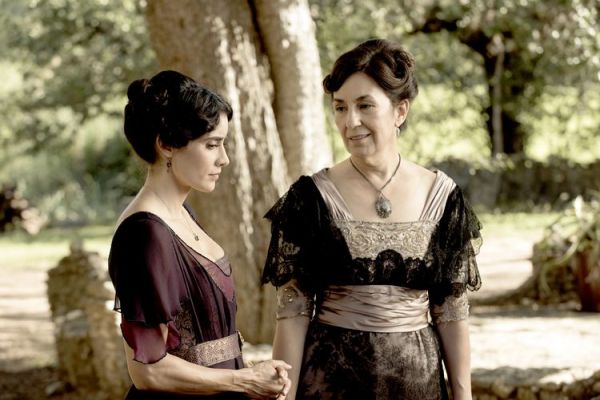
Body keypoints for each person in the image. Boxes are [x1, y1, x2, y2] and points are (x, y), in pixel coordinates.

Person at [262, 39, 482, 400]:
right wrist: (282, 397)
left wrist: (463, 395)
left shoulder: (443, 197)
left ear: (400, 111)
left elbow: (451, 312)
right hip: (330, 385)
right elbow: (293, 312)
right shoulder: (309, 198)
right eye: (340, 107)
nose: (351, 121)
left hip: (418, 385)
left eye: (365, 105)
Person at [108, 70, 291, 400]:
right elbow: (148, 371)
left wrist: (252, 374)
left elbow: (200, 345)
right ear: (166, 145)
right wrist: (244, 380)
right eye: (212, 145)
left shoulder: (183, 214)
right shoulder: (144, 233)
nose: (224, 159)